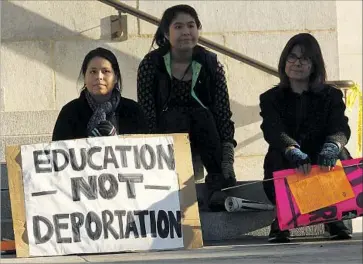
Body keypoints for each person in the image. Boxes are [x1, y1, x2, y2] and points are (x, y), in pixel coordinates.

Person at [137, 5, 236, 211]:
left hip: (205, 131)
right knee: (177, 116)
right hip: (168, 134)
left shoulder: (211, 64)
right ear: (166, 33)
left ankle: (218, 185)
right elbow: (147, 111)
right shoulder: (151, 64)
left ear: (198, 29)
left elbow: (223, 111)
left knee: (203, 115)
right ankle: (174, 188)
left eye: (191, 25)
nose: (186, 32)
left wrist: (227, 153)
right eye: (178, 26)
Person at [259, 33, 352, 243]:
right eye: (292, 57)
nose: (297, 63)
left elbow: (340, 126)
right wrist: (291, 149)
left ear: (314, 64)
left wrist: (332, 145)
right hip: (290, 162)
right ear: (284, 61)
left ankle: (334, 217)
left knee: (340, 152)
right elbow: (273, 130)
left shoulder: (332, 95)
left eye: (305, 58)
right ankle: (282, 219)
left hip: (321, 163)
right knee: (277, 152)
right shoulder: (270, 98)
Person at [53, 47, 146, 141]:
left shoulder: (134, 111)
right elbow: (58, 152)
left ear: (116, 77)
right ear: (85, 77)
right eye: (93, 72)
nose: (99, 77)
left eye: (106, 71)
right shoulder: (69, 113)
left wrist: (116, 141)